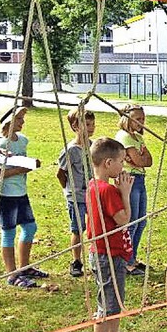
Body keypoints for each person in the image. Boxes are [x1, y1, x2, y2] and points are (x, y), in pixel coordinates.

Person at [87, 137, 138, 332]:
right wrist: (125, 193)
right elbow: (124, 220)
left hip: (109, 252)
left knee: (115, 300)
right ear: (108, 163)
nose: (123, 166)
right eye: (120, 161)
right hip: (106, 255)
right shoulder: (108, 190)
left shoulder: (93, 184)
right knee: (107, 304)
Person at [0, 102, 46, 289]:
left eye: (22, 118)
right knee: (9, 231)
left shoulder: (22, 140)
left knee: (30, 227)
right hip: (5, 194)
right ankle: (12, 274)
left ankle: (24, 267)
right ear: (7, 121)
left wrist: (31, 164)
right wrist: (19, 169)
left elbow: (23, 163)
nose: (22, 122)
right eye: (18, 119)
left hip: (21, 192)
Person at [57, 108, 96, 277]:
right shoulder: (71, 150)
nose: (91, 127)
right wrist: (70, 191)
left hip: (92, 194)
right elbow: (60, 173)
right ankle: (76, 261)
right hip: (77, 197)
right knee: (78, 229)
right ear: (75, 126)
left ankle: (95, 257)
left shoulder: (94, 146)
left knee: (95, 227)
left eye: (93, 124)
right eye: (87, 124)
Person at [115, 104, 152, 276]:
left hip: (140, 179)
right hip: (129, 180)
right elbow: (138, 160)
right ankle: (125, 262)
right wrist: (139, 158)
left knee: (141, 221)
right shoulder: (124, 137)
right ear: (126, 119)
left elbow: (148, 160)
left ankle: (132, 258)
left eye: (143, 119)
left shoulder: (137, 138)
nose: (141, 122)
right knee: (131, 222)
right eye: (138, 119)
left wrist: (140, 159)